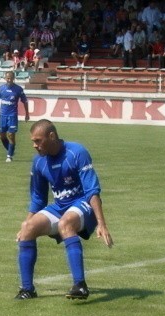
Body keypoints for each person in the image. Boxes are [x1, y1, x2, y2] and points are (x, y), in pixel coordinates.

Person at [15, 119, 113, 300]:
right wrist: (27, 221)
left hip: (83, 204)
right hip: (60, 206)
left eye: (38, 141)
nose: (35, 146)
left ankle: (80, 285)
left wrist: (101, 223)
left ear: (51, 136)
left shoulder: (76, 152)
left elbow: (92, 190)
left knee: (65, 223)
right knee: (27, 228)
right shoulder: (39, 162)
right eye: (33, 142)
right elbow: (38, 198)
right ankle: (27, 290)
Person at [0, 71, 29, 163]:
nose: (9, 80)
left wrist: (27, 114)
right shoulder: (1, 88)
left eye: (11, 78)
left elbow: (25, 101)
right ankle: (10, 150)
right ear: (5, 78)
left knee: (11, 135)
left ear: (13, 79)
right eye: (7, 78)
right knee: (2, 136)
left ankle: (9, 156)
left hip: (12, 115)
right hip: (2, 115)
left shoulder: (18, 89)